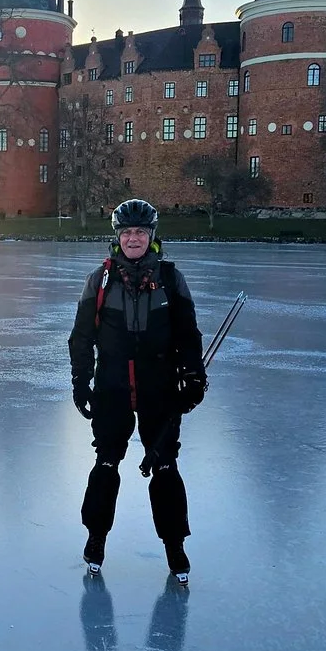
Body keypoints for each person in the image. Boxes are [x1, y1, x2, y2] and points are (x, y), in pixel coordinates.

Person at [67, 199, 206, 585]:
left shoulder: (171, 279)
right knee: (107, 463)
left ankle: (175, 545)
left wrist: (194, 378)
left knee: (164, 466)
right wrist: (81, 382)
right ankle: (96, 539)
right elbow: (81, 338)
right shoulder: (99, 281)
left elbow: (188, 334)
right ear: (117, 237)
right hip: (111, 385)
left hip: (159, 386)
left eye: (140, 233)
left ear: (151, 237)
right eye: (126, 232)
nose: (133, 238)